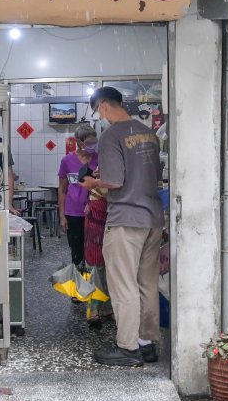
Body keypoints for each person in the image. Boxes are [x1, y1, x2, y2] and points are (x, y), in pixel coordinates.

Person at [79, 86, 164, 367]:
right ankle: (147, 343)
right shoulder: (149, 133)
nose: (99, 117)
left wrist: (92, 183)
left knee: (123, 285)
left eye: (96, 111)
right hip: (152, 218)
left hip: (126, 221)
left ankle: (127, 348)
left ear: (103, 106)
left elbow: (114, 182)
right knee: (147, 284)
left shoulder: (111, 136)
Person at [58, 125, 99, 272]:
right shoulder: (67, 161)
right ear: (79, 142)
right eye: (89, 143)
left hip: (95, 212)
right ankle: (79, 286)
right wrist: (62, 216)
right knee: (76, 250)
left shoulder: (99, 159)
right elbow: (62, 189)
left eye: (95, 141)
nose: (93, 146)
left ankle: (95, 285)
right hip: (73, 212)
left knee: (95, 249)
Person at [84, 173, 113, 328]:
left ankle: (108, 307)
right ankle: (94, 309)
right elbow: (111, 192)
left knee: (111, 268)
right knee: (95, 267)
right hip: (97, 224)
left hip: (110, 222)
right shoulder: (106, 163)